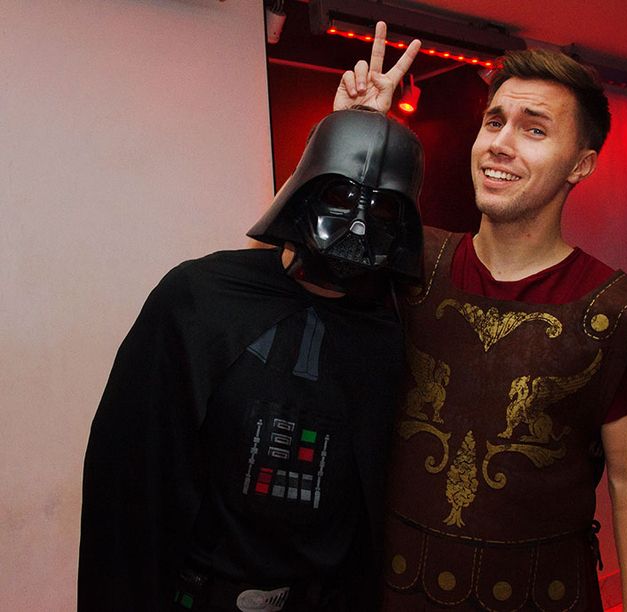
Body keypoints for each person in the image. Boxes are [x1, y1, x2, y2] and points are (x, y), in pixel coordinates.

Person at [335, 22, 627, 611]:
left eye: (534, 129)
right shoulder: (408, 260)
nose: (500, 143)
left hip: (543, 595)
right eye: (494, 121)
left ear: (581, 165)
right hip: (398, 590)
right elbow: (283, 270)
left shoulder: (617, 315)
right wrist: (347, 139)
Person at [78, 91, 425, 610]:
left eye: (381, 208)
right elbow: (130, 479)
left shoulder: (393, 334)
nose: (357, 225)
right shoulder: (200, 298)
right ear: (303, 193)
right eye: (338, 196)